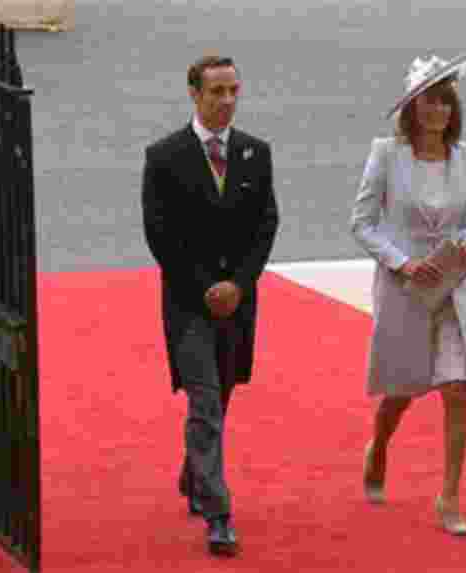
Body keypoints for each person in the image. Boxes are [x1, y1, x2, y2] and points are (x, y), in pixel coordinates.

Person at [141, 54, 279, 557]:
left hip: (238, 302)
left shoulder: (254, 154)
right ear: (194, 95)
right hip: (188, 303)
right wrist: (206, 288)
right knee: (204, 400)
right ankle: (218, 513)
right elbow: (160, 235)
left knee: (220, 394)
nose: (226, 101)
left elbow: (266, 225)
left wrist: (238, 285)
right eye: (216, 92)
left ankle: (193, 474)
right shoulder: (164, 157)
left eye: (233, 91)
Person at [351, 54, 466, 536]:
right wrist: (402, 262)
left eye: (445, 102)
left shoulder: (465, 156)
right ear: (413, 108)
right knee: (402, 391)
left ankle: (449, 495)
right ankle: (379, 446)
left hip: (451, 288)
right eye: (429, 101)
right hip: (405, 287)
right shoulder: (387, 154)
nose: (438, 110)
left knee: (455, 385)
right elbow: (360, 223)